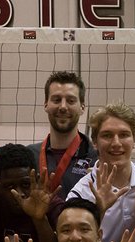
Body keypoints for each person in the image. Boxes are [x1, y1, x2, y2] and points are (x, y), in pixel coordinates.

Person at [65, 102, 135, 242]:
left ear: (134, 140)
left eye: (124, 135)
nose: (116, 143)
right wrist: (99, 210)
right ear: (95, 142)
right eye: (107, 135)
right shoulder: (81, 193)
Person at [27, 71, 97, 203]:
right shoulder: (28, 155)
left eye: (70, 101)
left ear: (82, 107)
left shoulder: (96, 158)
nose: (63, 107)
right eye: (56, 100)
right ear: (46, 104)